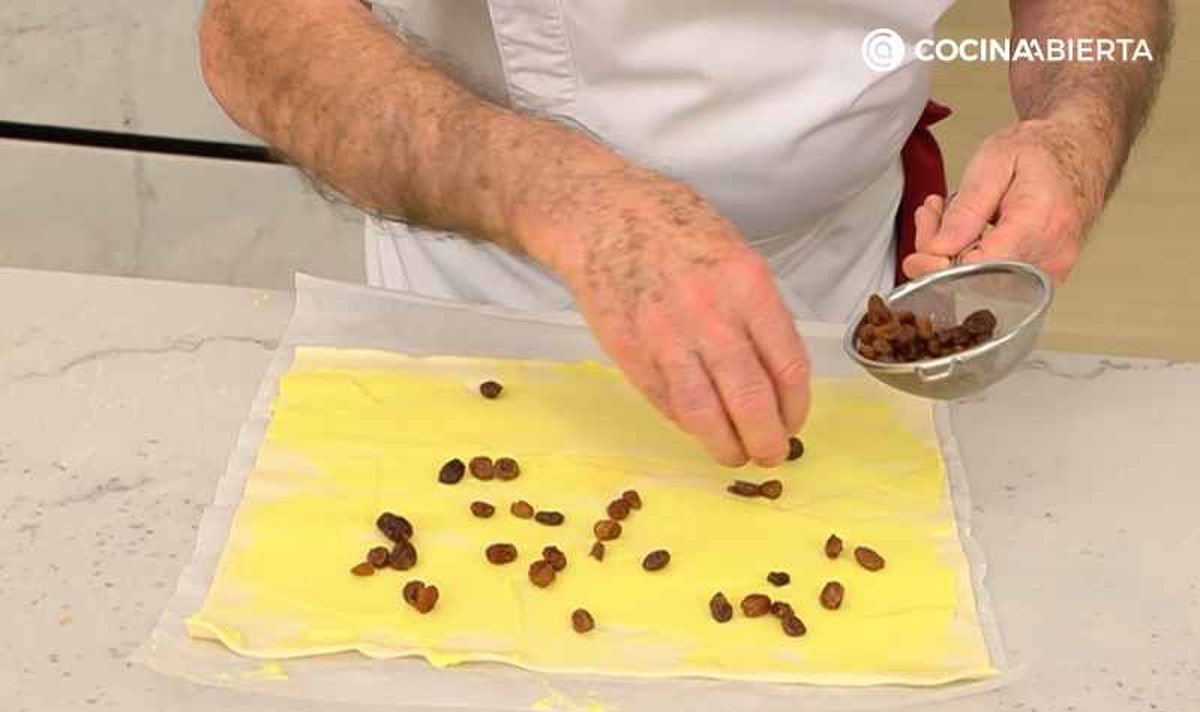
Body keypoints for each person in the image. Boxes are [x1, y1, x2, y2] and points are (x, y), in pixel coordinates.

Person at [198, 0, 1172, 466]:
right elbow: (252, 30)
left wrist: (1079, 121)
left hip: (846, 288)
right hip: (491, 304)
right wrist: (568, 196)